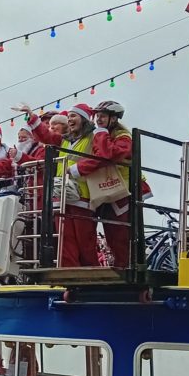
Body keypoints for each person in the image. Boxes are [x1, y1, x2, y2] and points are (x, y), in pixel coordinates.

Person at [25, 103, 100, 267]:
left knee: (85, 240)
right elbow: (45, 135)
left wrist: (75, 170)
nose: (70, 119)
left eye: (74, 116)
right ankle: (69, 276)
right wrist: (31, 116)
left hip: (83, 195)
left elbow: (99, 159)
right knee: (65, 241)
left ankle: (91, 274)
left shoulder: (93, 137)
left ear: (84, 119)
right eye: (69, 116)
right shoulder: (65, 140)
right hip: (61, 194)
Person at [68, 100, 138, 267]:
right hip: (107, 189)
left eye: (103, 116)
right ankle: (116, 266)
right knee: (108, 233)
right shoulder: (105, 133)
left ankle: (125, 268)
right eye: (97, 115)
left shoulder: (123, 137)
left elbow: (106, 155)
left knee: (120, 235)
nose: (98, 119)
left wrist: (99, 133)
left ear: (113, 119)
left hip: (123, 191)